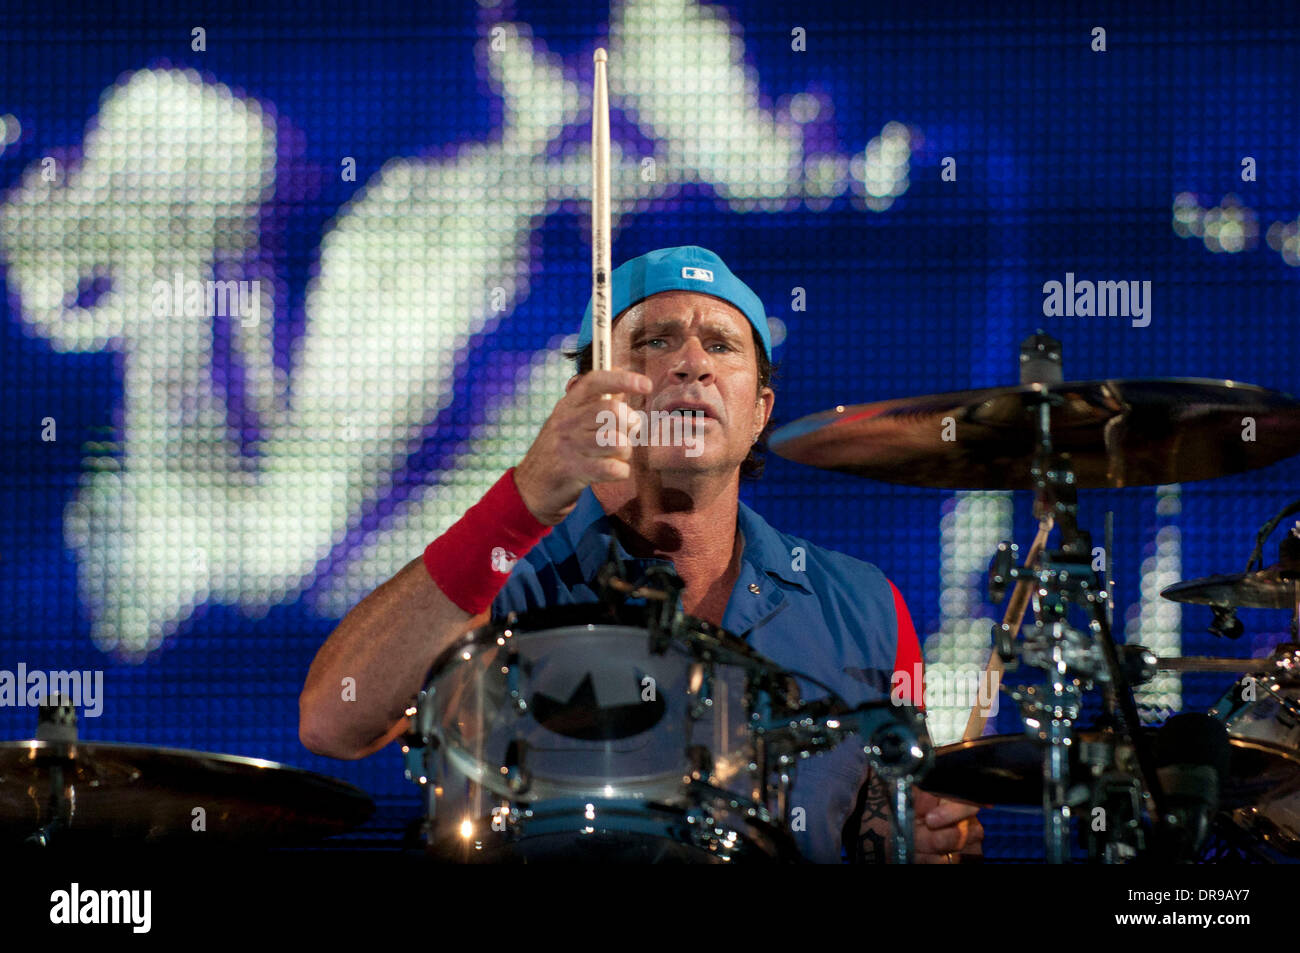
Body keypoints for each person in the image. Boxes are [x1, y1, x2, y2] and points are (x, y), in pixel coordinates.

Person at [299, 245, 983, 863]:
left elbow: (888, 823)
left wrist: (919, 840)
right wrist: (528, 495)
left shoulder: (866, 605)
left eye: (722, 345)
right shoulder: (500, 582)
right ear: (588, 396)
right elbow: (332, 721)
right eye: (654, 341)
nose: (692, 362)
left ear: (759, 412)